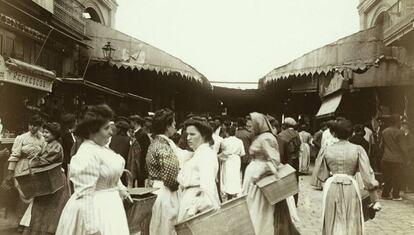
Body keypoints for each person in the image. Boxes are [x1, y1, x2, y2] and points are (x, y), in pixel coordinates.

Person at [56, 104, 131, 235]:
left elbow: (109, 173)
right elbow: (85, 195)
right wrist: (92, 229)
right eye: (106, 128)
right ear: (93, 131)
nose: (111, 132)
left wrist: (121, 188)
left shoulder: (102, 149)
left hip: (111, 208)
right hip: (96, 210)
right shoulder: (87, 154)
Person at [312, 119, 381, 235]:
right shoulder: (358, 149)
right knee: (351, 217)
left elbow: (321, 174)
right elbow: (368, 177)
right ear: (352, 133)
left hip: (331, 186)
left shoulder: (326, 149)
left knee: (332, 217)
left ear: (334, 133)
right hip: (351, 185)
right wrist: (375, 200)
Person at [243, 112, 299, 235]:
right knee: (252, 206)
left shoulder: (267, 137)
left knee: (260, 208)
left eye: (251, 125)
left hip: (261, 178)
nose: (249, 127)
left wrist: (259, 174)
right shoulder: (259, 137)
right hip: (254, 176)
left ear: (259, 124)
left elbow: (275, 161)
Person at [24, 122, 70, 235]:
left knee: (50, 209)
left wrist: (33, 161)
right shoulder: (47, 144)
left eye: (47, 132)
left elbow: (44, 160)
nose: (44, 134)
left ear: (54, 134)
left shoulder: (56, 146)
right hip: (46, 179)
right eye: (43, 132)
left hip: (55, 181)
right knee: (40, 207)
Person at [177, 117, 220, 222]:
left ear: (204, 135)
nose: (188, 138)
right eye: (187, 134)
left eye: (192, 134)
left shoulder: (206, 154)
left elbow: (207, 186)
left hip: (196, 205)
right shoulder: (198, 153)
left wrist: (193, 210)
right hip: (189, 199)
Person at [7, 114, 45, 230]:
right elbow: (14, 156)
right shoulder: (21, 138)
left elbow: (44, 154)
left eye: (36, 126)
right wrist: (10, 173)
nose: (33, 128)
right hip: (22, 167)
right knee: (23, 194)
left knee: (33, 196)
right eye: (31, 125)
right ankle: (20, 221)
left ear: (39, 127)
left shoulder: (42, 139)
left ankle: (28, 223)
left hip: (35, 168)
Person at [146, 109, 180, 235]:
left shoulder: (154, 143)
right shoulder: (164, 146)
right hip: (166, 191)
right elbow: (170, 175)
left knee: (158, 226)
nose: (175, 128)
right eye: (174, 125)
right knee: (167, 226)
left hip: (156, 188)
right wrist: (178, 185)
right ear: (167, 126)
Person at [381, 115, 408, 200]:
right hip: (397, 159)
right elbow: (403, 148)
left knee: (388, 177)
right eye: (400, 121)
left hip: (386, 158)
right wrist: (407, 158)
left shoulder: (384, 131)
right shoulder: (400, 133)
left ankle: (385, 194)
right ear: (397, 122)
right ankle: (395, 195)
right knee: (397, 177)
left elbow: (381, 145)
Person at [278, 117, 301, 204]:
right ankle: (294, 202)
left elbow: (281, 153)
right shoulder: (297, 135)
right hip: (295, 161)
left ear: (285, 125)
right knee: (295, 181)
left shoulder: (282, 135)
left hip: (286, 162)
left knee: (285, 183)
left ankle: (285, 203)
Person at [219, 125, 245, 200]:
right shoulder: (239, 141)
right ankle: (235, 191)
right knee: (235, 175)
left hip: (228, 159)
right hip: (236, 159)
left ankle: (227, 191)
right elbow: (242, 153)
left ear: (227, 133)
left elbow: (223, 151)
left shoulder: (224, 141)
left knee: (227, 175)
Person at [109, 120, 131, 185]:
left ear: (120, 129)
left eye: (117, 128)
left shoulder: (113, 138)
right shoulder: (129, 140)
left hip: (112, 165)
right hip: (123, 166)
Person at [235, 117, 253, 182]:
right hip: (247, 157)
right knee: (245, 174)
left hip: (237, 156)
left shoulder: (235, 133)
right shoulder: (249, 134)